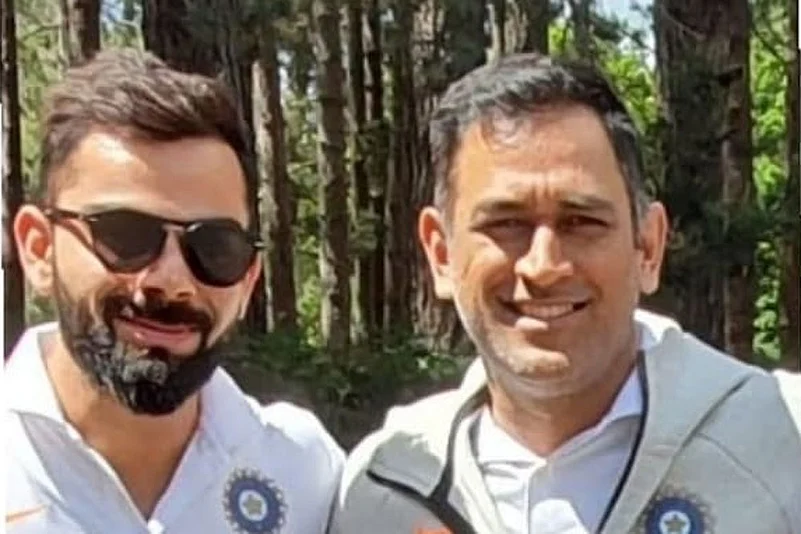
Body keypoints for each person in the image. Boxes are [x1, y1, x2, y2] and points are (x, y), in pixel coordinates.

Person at [329, 53, 801, 534]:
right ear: (441, 254)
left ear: (648, 247)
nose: (544, 266)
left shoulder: (783, 441)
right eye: (505, 224)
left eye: (581, 221)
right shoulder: (381, 490)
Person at [6, 49, 343, 533]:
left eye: (215, 248)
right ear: (39, 249)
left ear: (249, 278)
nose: (172, 280)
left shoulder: (306, 472)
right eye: (125, 235)